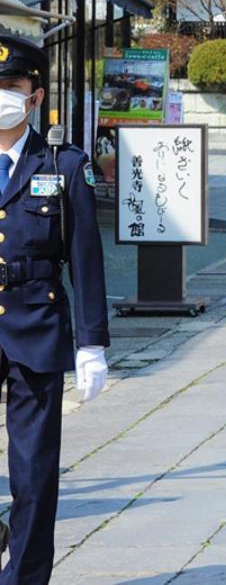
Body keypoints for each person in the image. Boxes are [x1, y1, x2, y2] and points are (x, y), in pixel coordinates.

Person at [0, 35, 109, 582]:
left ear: (35, 96)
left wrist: (92, 344)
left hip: (36, 324)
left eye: (11, 87)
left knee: (34, 469)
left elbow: (85, 258)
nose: (1, 96)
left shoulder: (64, 165)